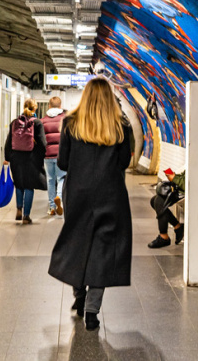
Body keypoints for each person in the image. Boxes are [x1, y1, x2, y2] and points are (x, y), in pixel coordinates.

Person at [48, 78, 133, 331]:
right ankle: (92, 311)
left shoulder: (71, 124)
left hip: (78, 193)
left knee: (78, 242)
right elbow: (123, 163)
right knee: (103, 250)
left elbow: (63, 163)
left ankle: (79, 295)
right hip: (111, 194)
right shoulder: (121, 125)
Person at [3, 99, 46, 224]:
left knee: (19, 184)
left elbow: (8, 142)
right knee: (29, 186)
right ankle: (26, 215)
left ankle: (19, 209)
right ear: (35, 108)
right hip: (31, 158)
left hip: (16, 158)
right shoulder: (37, 123)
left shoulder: (15, 122)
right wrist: (40, 156)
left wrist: (7, 157)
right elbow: (43, 143)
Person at [41, 96, 67, 216]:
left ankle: (51, 207)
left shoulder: (43, 120)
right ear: (60, 106)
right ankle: (59, 199)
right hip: (60, 154)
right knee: (61, 178)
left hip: (47, 155)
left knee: (50, 180)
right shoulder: (65, 119)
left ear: (49, 106)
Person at [148, 168, 185, 248]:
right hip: (180, 189)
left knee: (159, 201)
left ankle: (164, 237)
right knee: (153, 201)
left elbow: (187, 184)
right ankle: (178, 227)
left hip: (185, 192)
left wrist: (174, 178)